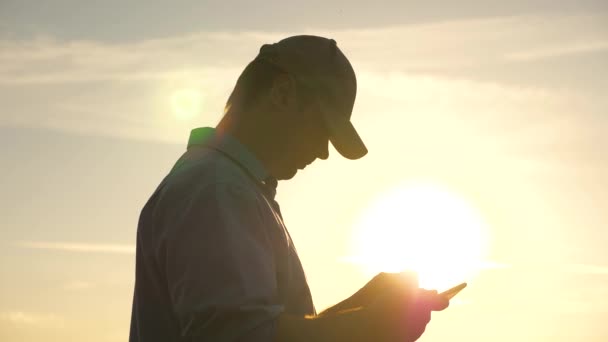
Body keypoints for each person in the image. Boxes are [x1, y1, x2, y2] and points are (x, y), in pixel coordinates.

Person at [129, 35, 449, 342]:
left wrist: (361, 307)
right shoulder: (218, 188)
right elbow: (242, 338)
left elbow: (261, 330)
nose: (324, 151)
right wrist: (372, 326)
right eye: (322, 128)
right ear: (282, 92)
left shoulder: (227, 185)